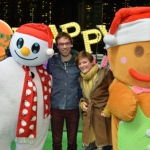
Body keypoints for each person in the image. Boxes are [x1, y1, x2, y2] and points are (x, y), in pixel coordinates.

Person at [47, 32, 82, 150]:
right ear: (57, 46)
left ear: (71, 44)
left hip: (73, 107)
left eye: (67, 43)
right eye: (61, 44)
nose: (64, 47)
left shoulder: (79, 61)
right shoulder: (51, 62)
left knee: (72, 142)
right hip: (56, 107)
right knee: (56, 142)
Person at [75, 51, 114, 150]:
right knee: (88, 146)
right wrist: (82, 103)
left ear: (92, 61)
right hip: (88, 118)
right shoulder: (81, 78)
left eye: (84, 62)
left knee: (105, 146)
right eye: (79, 64)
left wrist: (108, 109)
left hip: (102, 117)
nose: (82, 65)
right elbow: (83, 97)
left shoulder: (105, 73)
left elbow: (115, 93)